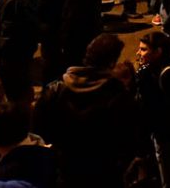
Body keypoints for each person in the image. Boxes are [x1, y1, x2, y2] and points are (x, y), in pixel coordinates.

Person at [32, 34, 139, 188]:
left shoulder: (56, 89)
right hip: (105, 173)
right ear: (110, 63)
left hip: (66, 169)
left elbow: (39, 129)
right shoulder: (116, 94)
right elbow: (129, 139)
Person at [135, 31, 170, 188]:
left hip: (168, 136)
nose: (139, 53)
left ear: (158, 51)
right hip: (158, 134)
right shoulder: (150, 71)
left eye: (144, 49)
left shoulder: (169, 74)